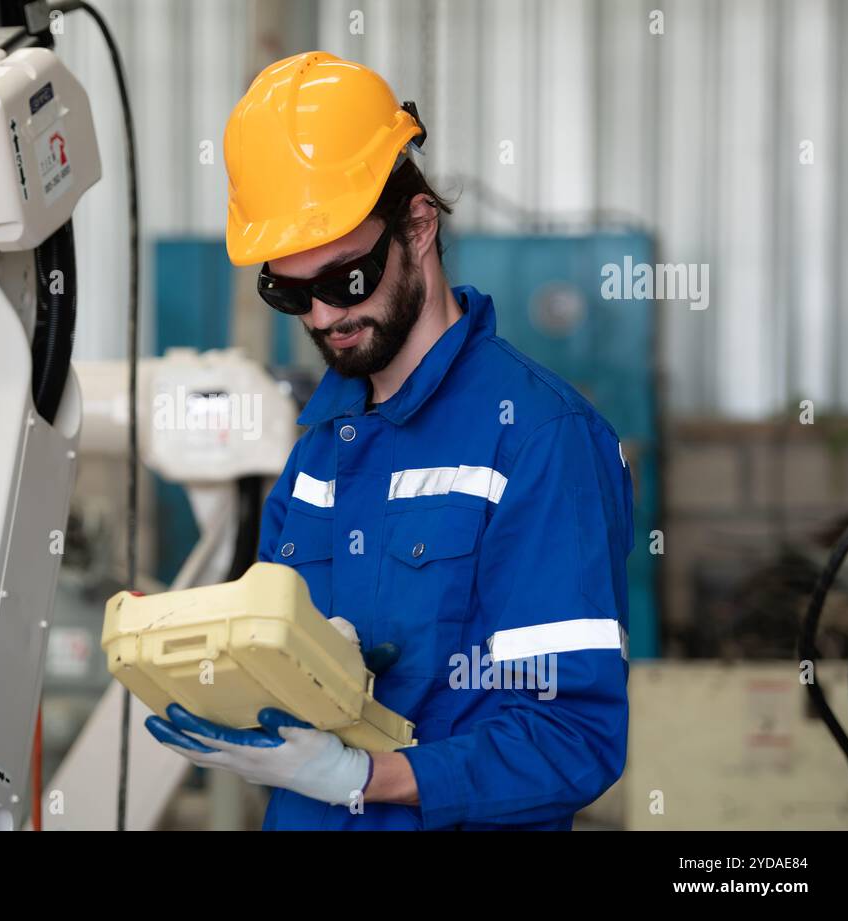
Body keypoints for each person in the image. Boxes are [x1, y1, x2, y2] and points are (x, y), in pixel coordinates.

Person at [146, 51, 634, 831]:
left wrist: (367, 775)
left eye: (345, 280)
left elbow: (572, 738)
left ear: (419, 224)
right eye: (288, 291)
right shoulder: (318, 452)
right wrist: (199, 663)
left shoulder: (540, 441)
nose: (321, 317)